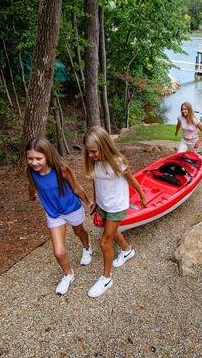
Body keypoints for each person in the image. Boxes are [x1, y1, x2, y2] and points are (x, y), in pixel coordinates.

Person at [83, 126, 147, 298]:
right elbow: (96, 183)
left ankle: (106, 278)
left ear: (104, 146)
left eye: (94, 151)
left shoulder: (118, 162)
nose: (90, 155)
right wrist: (95, 201)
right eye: (88, 151)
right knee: (110, 232)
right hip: (103, 205)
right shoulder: (93, 162)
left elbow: (132, 180)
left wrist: (142, 196)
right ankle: (127, 250)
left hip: (116, 207)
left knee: (104, 242)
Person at [26, 137, 92, 296]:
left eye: (38, 158)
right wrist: (32, 194)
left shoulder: (62, 169)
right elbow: (32, 186)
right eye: (30, 158)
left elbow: (76, 188)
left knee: (79, 232)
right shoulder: (31, 172)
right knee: (58, 252)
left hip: (72, 208)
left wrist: (89, 203)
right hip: (54, 214)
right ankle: (68, 275)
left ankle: (87, 247)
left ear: (47, 155)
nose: (34, 162)